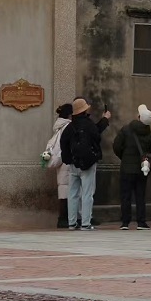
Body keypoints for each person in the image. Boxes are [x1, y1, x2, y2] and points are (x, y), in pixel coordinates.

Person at [60, 97, 110, 231]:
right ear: (84, 110)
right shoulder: (88, 124)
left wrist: (68, 159)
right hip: (88, 163)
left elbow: (63, 144)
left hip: (73, 164)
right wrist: (105, 119)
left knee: (72, 193)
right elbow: (97, 136)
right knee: (87, 193)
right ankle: (86, 222)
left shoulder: (69, 127)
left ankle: (72, 222)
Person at [113, 103, 151, 231]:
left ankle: (125, 222)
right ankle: (141, 222)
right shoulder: (150, 134)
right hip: (142, 169)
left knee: (125, 195)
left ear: (138, 117)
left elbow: (116, 146)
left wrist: (124, 158)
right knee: (140, 195)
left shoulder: (126, 130)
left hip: (126, 168)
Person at [43, 103, 73, 228]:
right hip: (66, 162)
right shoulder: (68, 127)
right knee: (70, 191)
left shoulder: (58, 127)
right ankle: (65, 218)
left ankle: (62, 218)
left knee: (63, 190)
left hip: (61, 164)